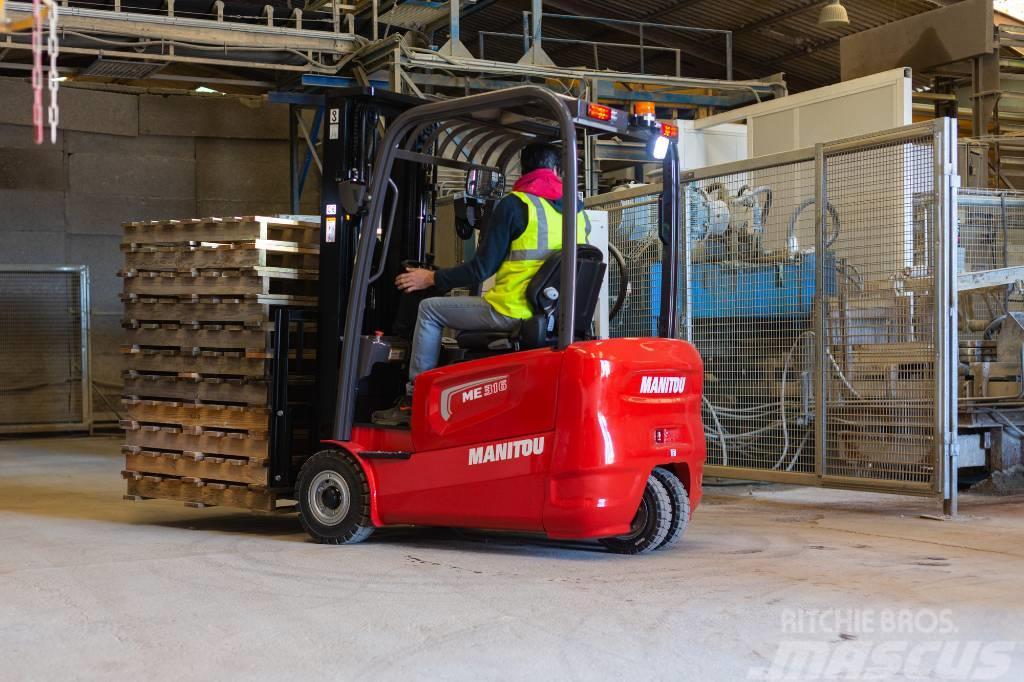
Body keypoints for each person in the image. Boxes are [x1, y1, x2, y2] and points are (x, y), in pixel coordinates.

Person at [372, 142, 590, 426]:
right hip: (555, 316)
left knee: (429, 309)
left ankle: (414, 401)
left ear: (523, 170)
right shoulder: (578, 210)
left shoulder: (516, 204)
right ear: (558, 170)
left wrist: (431, 278)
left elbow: (480, 269)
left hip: (512, 310)